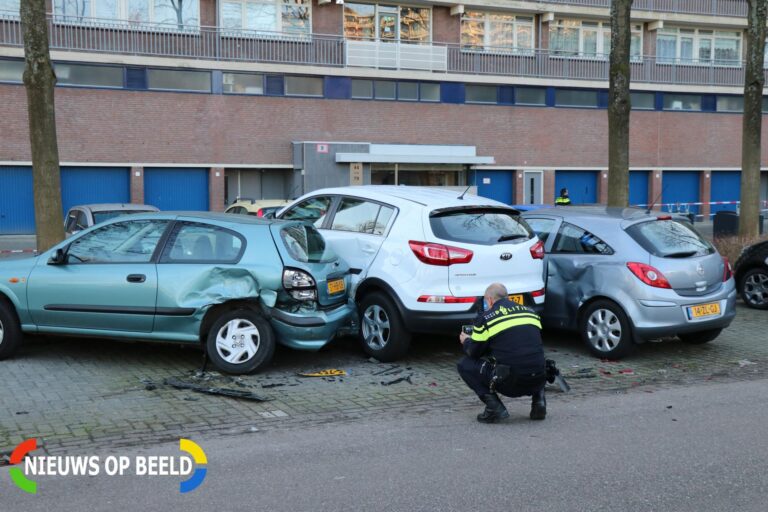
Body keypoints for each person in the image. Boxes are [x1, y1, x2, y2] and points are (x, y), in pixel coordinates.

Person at [457, 283, 547, 423]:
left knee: (464, 364)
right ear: (508, 297)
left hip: (511, 384)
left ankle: (495, 408)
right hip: (539, 378)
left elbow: (473, 352)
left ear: (490, 300)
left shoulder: (486, 318)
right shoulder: (531, 313)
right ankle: (539, 403)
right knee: (531, 357)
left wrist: (466, 341)